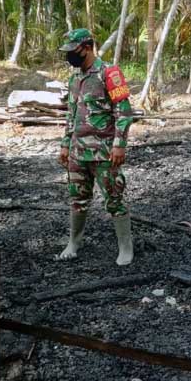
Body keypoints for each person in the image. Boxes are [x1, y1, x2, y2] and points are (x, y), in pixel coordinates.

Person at [56, 28, 135, 266]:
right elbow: (72, 115)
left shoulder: (109, 73)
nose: (69, 56)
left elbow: (124, 112)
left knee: (114, 198)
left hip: (104, 153)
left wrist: (119, 145)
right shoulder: (75, 79)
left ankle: (125, 247)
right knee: (77, 199)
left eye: (73, 50)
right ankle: (74, 243)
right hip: (78, 153)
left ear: (87, 47)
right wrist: (65, 144)